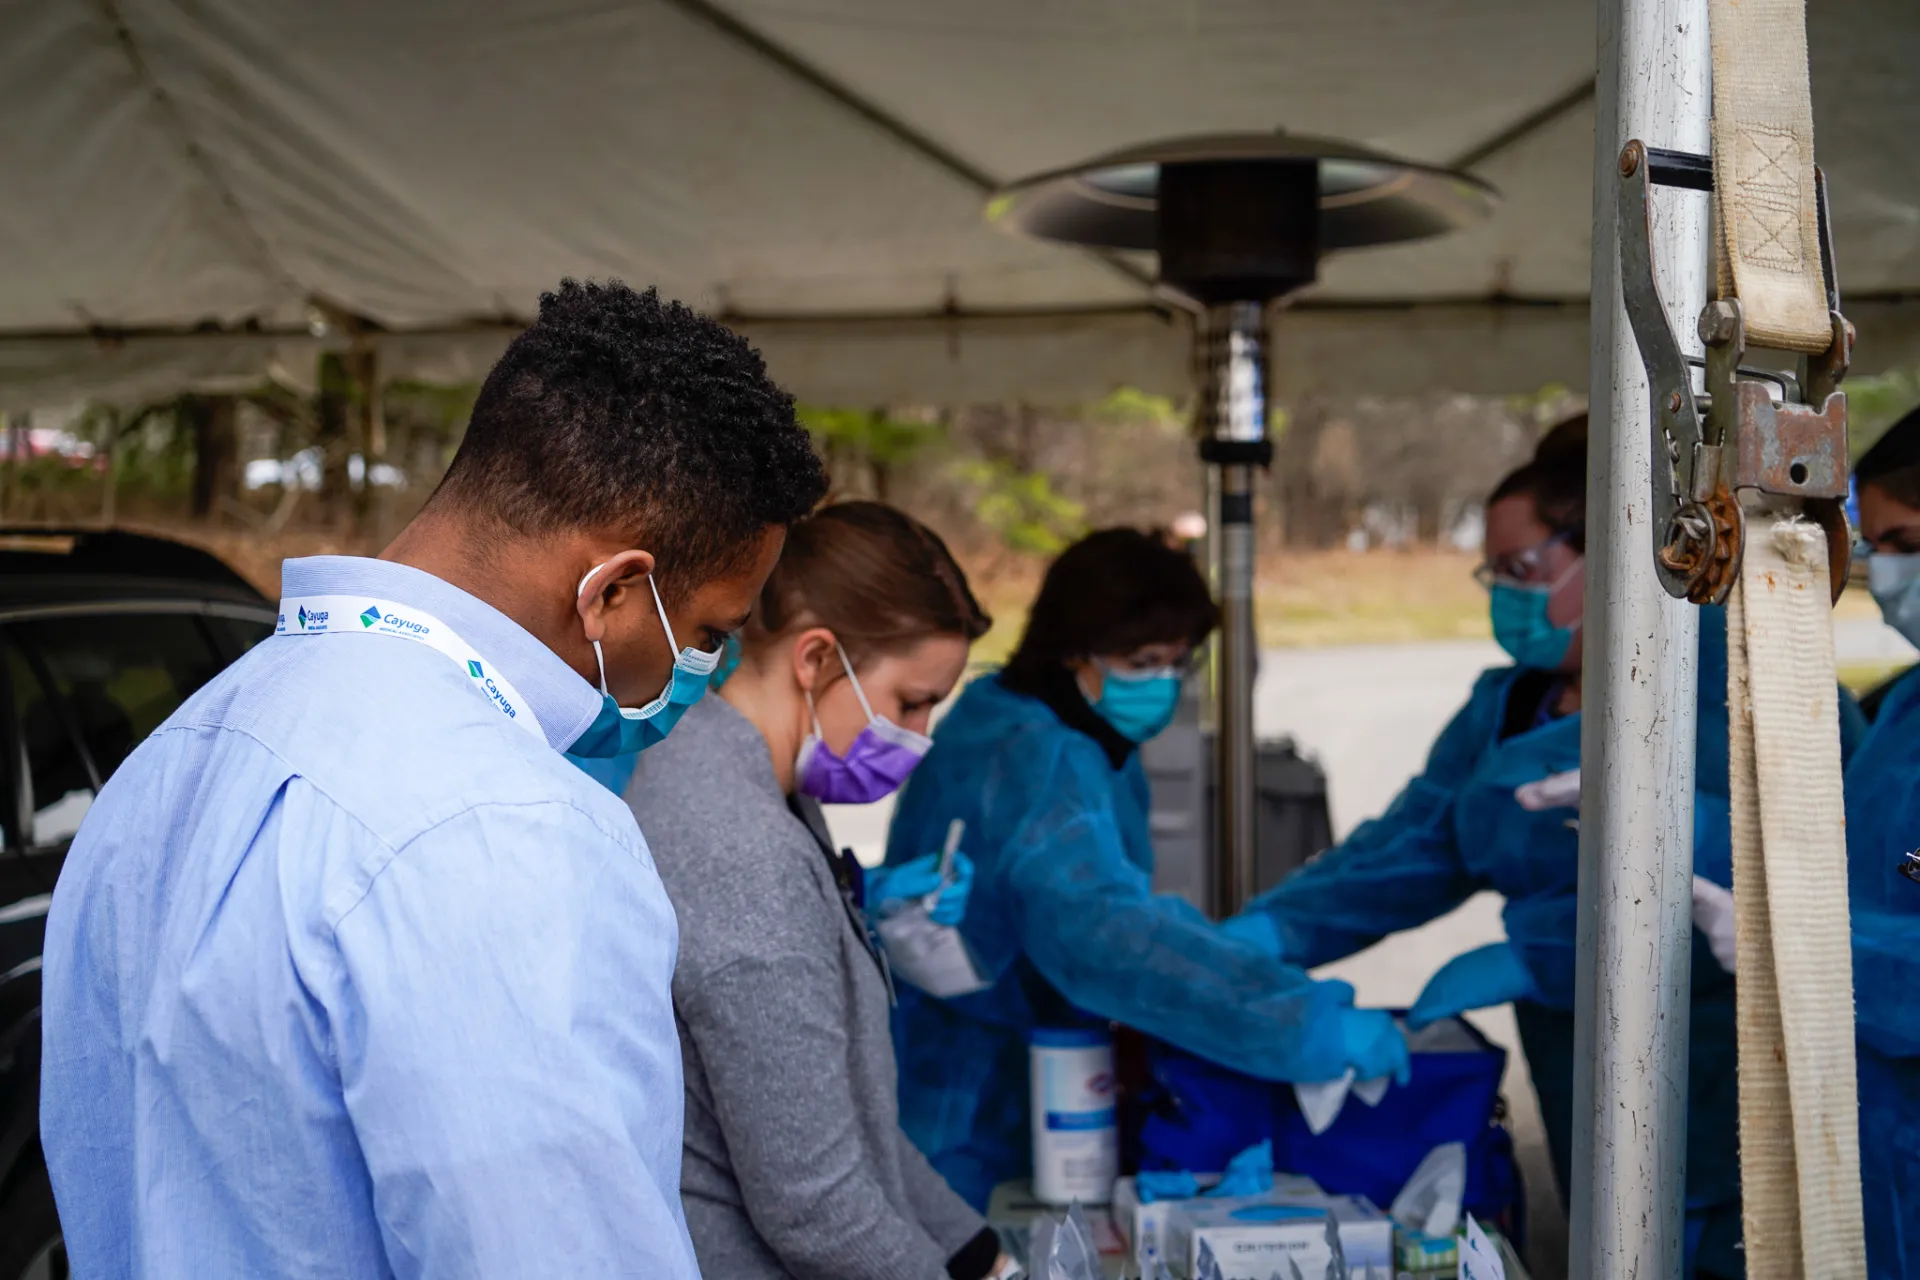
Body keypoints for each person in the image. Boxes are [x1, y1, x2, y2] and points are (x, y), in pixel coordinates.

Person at [38, 281, 828, 1277]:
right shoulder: (507, 827)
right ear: (613, 589)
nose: (702, 675)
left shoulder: (177, 753)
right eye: (709, 632)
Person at [1224, 415, 1864, 1279]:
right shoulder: (1510, 705)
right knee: (1608, 1233)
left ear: (1619, 549)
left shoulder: (1738, 683)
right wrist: (1268, 934)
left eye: (1524, 572)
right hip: (1575, 1060)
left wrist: (1543, 952)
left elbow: (1803, 883)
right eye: (1496, 574)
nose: (1506, 596)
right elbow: (1413, 848)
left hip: (1724, 1074)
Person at [883, 527, 1409, 1210]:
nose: (1164, 682)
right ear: (1073, 649)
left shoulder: (1013, 718)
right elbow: (1113, 941)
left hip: (987, 1085)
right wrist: (1300, 1024)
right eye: (1142, 660)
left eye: (1179, 662)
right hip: (977, 1111)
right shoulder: (1044, 759)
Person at [620, 501, 1016, 1280]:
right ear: (817, 660)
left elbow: (840, 1120)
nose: (922, 736)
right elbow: (817, 1208)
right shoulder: (745, 855)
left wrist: (982, 1256)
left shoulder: (734, 775)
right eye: (911, 702)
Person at [1841, 404, 1920, 1280]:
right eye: (1879, 549)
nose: (1885, 574)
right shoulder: (1903, 706)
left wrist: (1815, 951)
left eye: (1907, 544)